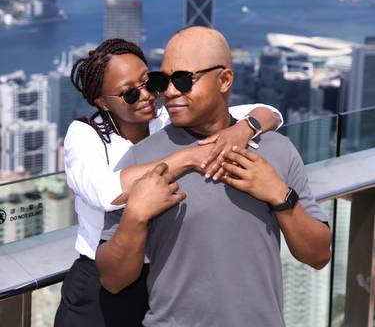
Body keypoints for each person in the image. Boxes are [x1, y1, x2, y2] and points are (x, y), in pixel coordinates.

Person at [97, 27, 332, 327]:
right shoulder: (141, 160)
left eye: (182, 80)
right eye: (162, 80)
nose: (169, 92)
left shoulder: (277, 150)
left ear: (224, 80)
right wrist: (135, 218)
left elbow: (319, 254)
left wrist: (279, 196)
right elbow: (113, 280)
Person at [54, 38, 283, 327]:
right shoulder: (86, 135)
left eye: (150, 83)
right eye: (129, 95)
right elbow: (106, 192)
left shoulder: (166, 120)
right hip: (100, 284)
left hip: (161, 280)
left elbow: (269, 112)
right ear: (102, 102)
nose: (147, 96)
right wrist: (188, 156)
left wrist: (244, 129)